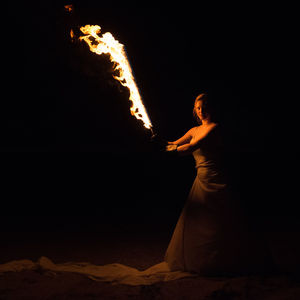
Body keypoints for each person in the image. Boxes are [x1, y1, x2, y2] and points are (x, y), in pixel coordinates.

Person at [164, 93, 273, 276]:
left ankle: (224, 264)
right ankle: (203, 264)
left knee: (221, 222)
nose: (202, 111)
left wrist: (167, 150)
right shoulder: (193, 130)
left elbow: (190, 148)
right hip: (200, 181)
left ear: (213, 107)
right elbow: (173, 144)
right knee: (199, 222)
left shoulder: (214, 128)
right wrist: (157, 142)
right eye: (198, 108)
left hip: (217, 181)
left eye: (205, 107)